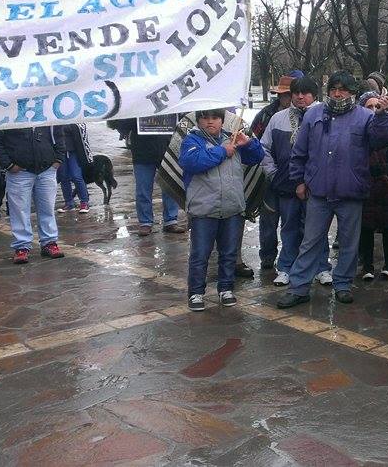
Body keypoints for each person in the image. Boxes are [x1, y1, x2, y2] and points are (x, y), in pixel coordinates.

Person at [276, 71, 388, 309]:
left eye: (343, 89)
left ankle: (343, 284)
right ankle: (299, 287)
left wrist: (382, 115)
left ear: (352, 92)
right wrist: (298, 180)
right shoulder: (313, 115)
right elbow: (300, 151)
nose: (337, 93)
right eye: (333, 89)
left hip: (351, 192)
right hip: (318, 191)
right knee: (310, 241)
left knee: (350, 242)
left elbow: (383, 138)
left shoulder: (365, 117)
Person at [180, 109, 265, 311]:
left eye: (215, 118)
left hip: (232, 207)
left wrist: (249, 144)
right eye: (205, 118)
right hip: (203, 209)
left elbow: (257, 157)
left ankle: (226, 288)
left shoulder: (233, 138)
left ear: (222, 120)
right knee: (200, 254)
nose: (210, 122)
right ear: (198, 120)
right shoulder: (191, 141)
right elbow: (193, 162)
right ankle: (196, 293)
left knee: (228, 252)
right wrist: (222, 151)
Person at [259, 76, 332, 286]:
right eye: (296, 93)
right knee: (289, 227)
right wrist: (272, 173)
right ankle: (286, 267)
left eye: (306, 93)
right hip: (286, 183)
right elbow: (264, 148)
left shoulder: (325, 117)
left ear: (314, 95)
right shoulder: (278, 118)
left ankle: (321, 267)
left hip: (316, 186)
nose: (300, 97)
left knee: (316, 228)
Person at [0, 126, 66, 264]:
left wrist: (58, 158)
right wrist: (8, 164)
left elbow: (58, 132)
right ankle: (22, 246)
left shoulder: (46, 109)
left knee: (47, 207)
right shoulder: (7, 112)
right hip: (19, 171)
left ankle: (49, 242)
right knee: (19, 210)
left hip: (46, 168)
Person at [252, 71, 303, 271]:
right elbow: (257, 143)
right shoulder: (266, 115)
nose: (288, 98)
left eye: (290, 94)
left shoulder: (308, 115)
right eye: (284, 94)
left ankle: (294, 256)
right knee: (268, 219)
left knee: (295, 221)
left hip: (297, 181)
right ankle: (267, 256)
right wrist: (270, 171)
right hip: (271, 178)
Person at [115, 117, 188, 238]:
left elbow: (184, 118)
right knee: (143, 189)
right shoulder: (135, 104)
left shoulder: (171, 100)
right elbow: (120, 124)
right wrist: (136, 118)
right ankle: (145, 222)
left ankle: (171, 220)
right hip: (142, 152)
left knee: (170, 186)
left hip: (168, 148)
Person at [357, 91, 388, 281]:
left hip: (387, 183)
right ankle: (367, 264)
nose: (374, 110)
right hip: (367, 183)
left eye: (377, 106)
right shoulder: (361, 130)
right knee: (366, 225)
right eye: (369, 107)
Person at [56, 123, 93, 213]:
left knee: (76, 176)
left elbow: (81, 131)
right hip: (60, 151)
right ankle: (69, 202)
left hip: (74, 152)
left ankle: (84, 201)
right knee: (63, 177)